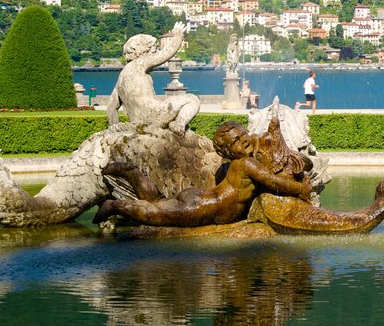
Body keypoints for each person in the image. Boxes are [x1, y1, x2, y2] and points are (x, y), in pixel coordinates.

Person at [93, 120, 312, 227]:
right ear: (227, 152)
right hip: (201, 207)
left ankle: (132, 172)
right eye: (236, 141)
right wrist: (301, 188)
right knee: (155, 214)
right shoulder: (246, 164)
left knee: (159, 202)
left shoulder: (237, 164)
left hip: (202, 200)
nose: (244, 140)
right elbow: (274, 182)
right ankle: (115, 206)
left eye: (244, 135)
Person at [106, 22, 199, 134]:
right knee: (192, 99)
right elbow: (165, 54)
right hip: (154, 115)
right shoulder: (139, 63)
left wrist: (115, 128)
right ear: (143, 51)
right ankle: (179, 123)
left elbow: (111, 107)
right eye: (153, 51)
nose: (155, 53)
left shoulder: (121, 78)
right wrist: (178, 36)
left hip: (136, 122)